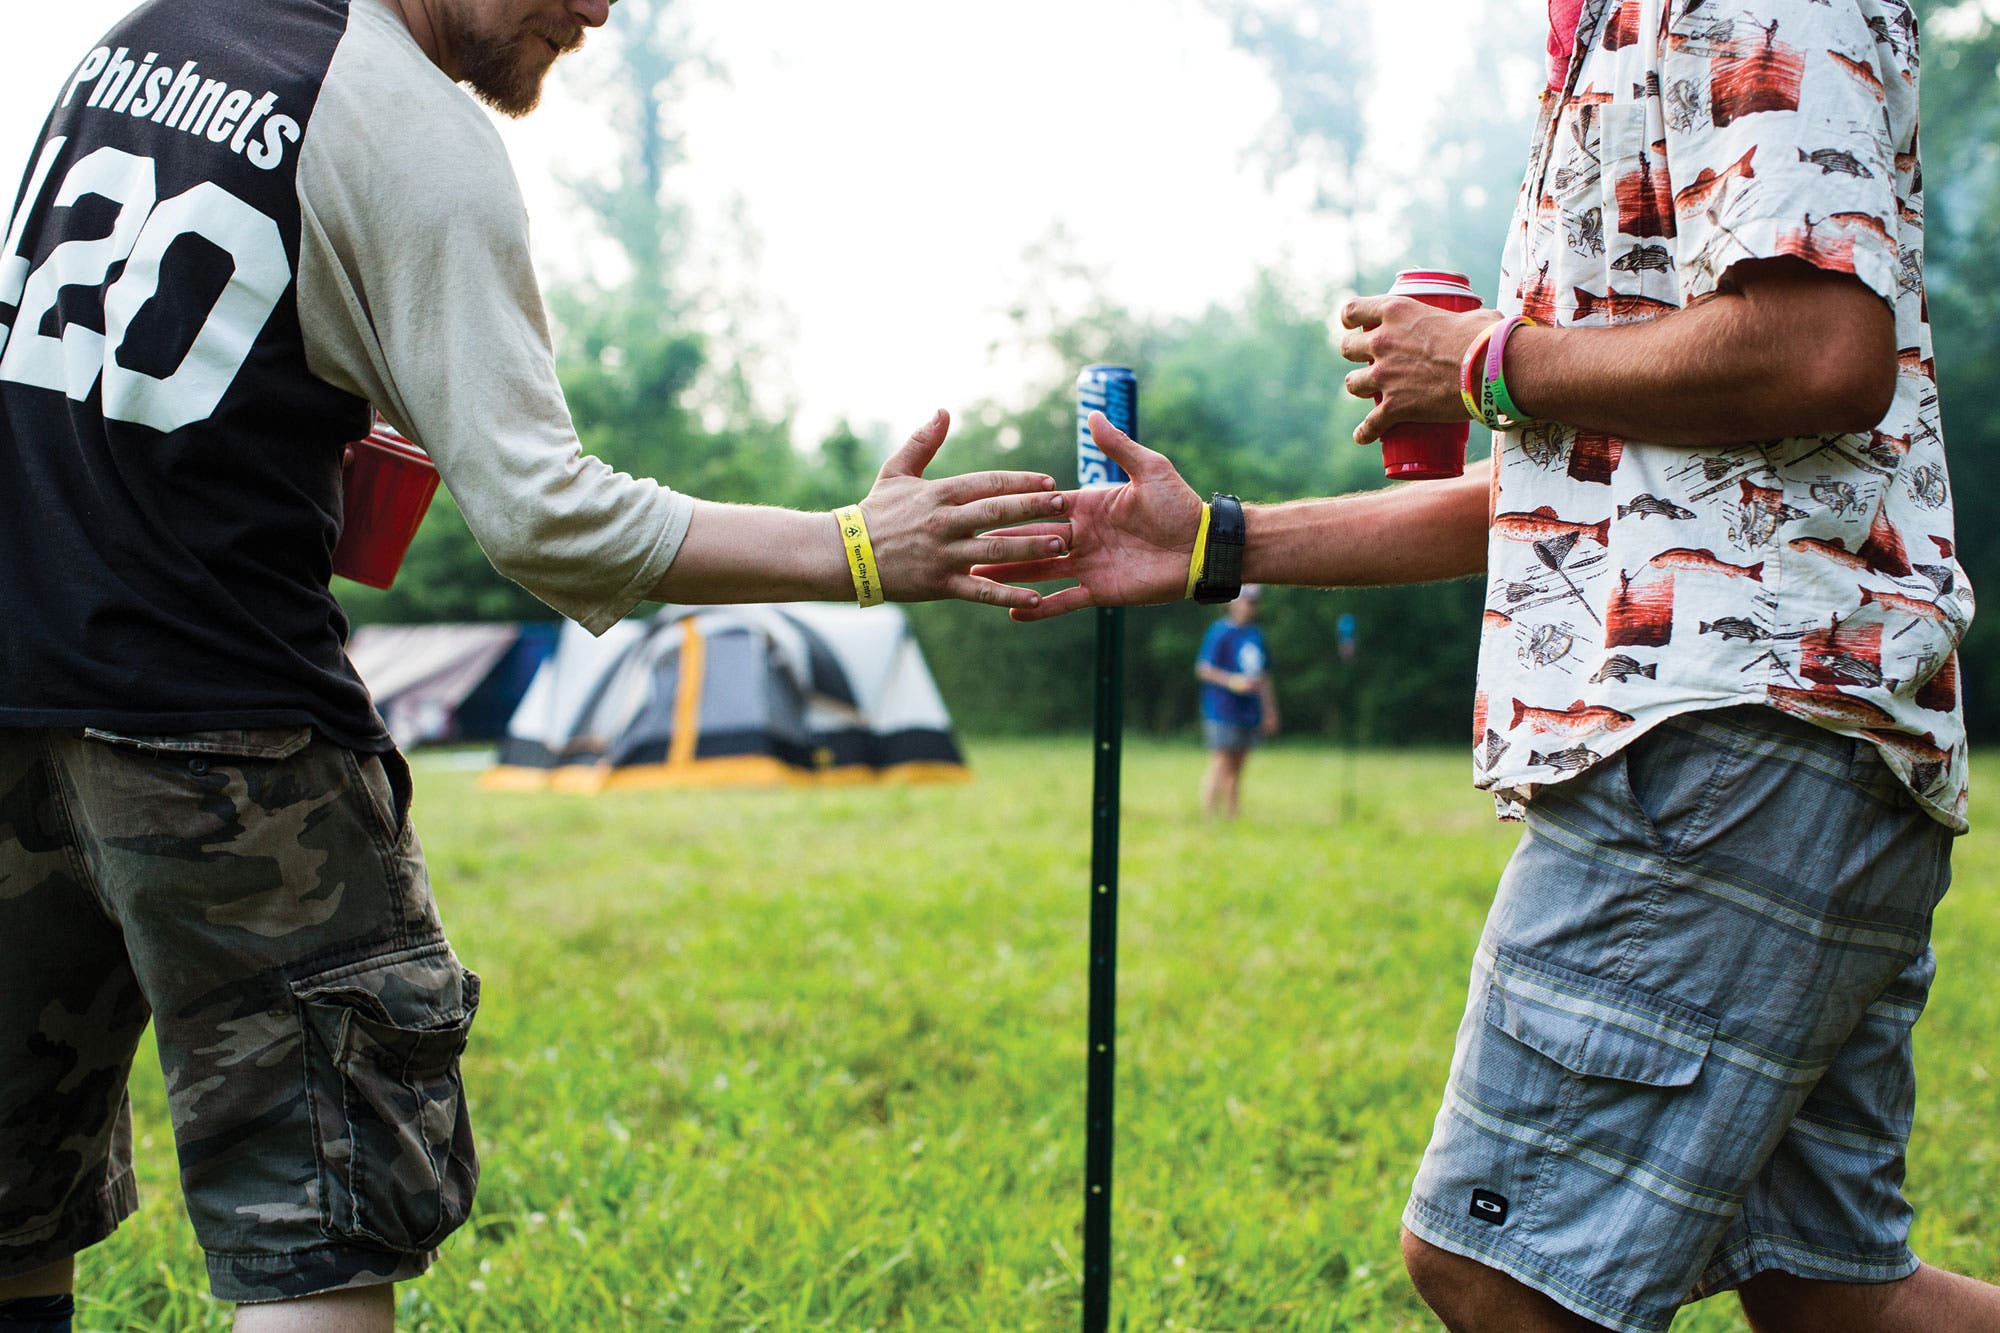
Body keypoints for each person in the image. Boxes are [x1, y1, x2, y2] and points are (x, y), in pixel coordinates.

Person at [0, 1, 1068, 1329]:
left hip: (16, 696)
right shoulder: (403, 122)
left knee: (9, 1207)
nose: (602, 6)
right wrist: (857, 545)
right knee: (313, 1234)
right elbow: (544, 514)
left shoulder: (143, 37)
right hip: (230, 741)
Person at [984, 0, 2000, 1327]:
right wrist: (1213, 542)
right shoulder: (1609, 37)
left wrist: (1481, 361)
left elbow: (1823, 349)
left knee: (1495, 1269)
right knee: (1833, 1303)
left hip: (1729, 735)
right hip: (1800, 740)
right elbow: (1578, 497)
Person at [1194, 586, 1278, 819]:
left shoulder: (1256, 635)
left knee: (1238, 767)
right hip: (1222, 709)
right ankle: (1209, 817)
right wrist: (1232, 681)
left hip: (1248, 710)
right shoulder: (1219, 632)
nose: (1249, 606)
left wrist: (1269, 709)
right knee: (1220, 762)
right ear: (1231, 603)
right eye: (1245, 601)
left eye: (1253, 602)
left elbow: (1264, 676)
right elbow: (1203, 669)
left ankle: (1232, 816)